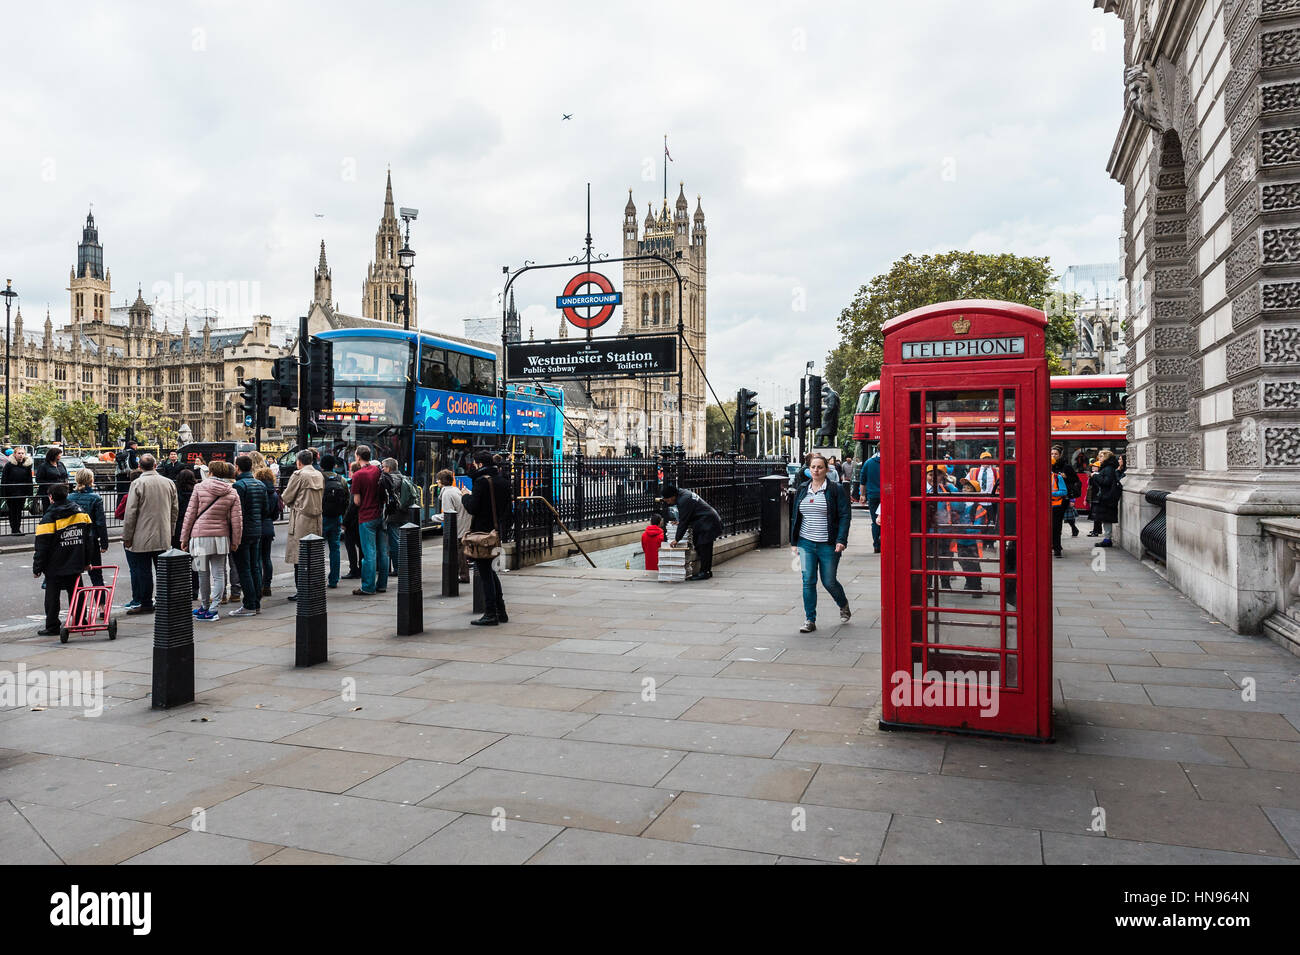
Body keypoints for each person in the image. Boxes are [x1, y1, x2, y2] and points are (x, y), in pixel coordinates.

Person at [789, 454, 852, 633]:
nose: (816, 470)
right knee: (808, 581)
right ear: (809, 469)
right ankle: (810, 619)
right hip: (805, 542)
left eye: (820, 467)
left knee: (829, 581)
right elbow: (796, 516)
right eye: (813, 467)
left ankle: (843, 603)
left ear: (827, 470)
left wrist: (841, 540)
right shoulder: (802, 488)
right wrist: (794, 542)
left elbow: (844, 516)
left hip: (828, 544)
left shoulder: (835, 489)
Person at [33, 482, 97, 636]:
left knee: (52, 595)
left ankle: (53, 626)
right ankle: (81, 621)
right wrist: (87, 561)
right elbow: (88, 541)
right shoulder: (80, 513)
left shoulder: (49, 517)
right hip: (76, 560)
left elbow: (42, 546)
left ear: (51, 498)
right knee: (76, 592)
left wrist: (37, 568)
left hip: (54, 564)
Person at [181, 460, 243, 621]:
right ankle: (214, 608)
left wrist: (184, 538)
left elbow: (190, 515)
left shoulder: (199, 488)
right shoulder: (232, 492)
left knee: (202, 573)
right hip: (220, 539)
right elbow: (237, 520)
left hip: (199, 538)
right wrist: (236, 540)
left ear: (211, 472)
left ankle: (204, 606)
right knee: (219, 574)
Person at [121, 453, 178, 614]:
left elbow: (131, 512)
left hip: (142, 535)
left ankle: (146, 603)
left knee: (143, 571)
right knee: (163, 571)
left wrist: (127, 537)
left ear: (140, 467)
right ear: (155, 465)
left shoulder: (138, 483)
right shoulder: (168, 483)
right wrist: (171, 531)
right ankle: (164, 601)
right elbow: (175, 510)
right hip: (163, 533)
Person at [462, 449, 512, 625]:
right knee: (490, 570)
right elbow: (507, 509)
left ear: (480, 464)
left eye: (474, 463)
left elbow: (473, 508)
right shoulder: (504, 482)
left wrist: (465, 496)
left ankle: (491, 613)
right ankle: (501, 610)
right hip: (496, 531)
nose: (473, 466)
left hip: (482, 533)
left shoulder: (482, 482)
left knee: (485, 573)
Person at [282, 449, 323, 600]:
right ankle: (313, 589)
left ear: (299, 462)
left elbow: (287, 497)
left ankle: (302, 591)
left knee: (299, 558)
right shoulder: (318, 474)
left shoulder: (298, 475)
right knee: (313, 557)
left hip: (300, 519)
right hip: (316, 519)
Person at [659, 484, 723, 581]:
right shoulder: (683, 494)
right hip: (705, 521)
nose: (668, 503)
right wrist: (680, 522)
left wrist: (677, 539)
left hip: (708, 522)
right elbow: (688, 515)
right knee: (700, 544)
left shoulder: (683, 500)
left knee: (704, 546)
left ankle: (705, 572)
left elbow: (684, 521)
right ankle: (706, 571)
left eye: (668, 500)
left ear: (673, 496)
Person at [230, 455, 267, 615]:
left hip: (243, 532)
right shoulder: (260, 484)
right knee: (255, 567)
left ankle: (249, 604)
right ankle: (256, 602)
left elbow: (237, 513)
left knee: (244, 568)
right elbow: (265, 509)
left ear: (237, 467)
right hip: (257, 529)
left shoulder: (238, 486)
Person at [350, 446, 387, 596]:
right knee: (383, 552)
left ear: (358, 457)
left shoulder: (358, 475)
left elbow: (357, 501)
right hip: (381, 515)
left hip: (366, 517)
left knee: (369, 553)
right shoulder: (378, 470)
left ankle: (368, 586)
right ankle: (382, 585)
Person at [68, 469, 109, 586]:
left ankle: (79, 603)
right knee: (96, 572)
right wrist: (104, 542)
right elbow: (100, 522)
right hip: (91, 538)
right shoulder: (95, 498)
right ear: (91, 480)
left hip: (74, 537)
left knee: (75, 574)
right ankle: (101, 603)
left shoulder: (69, 498)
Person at [381, 457, 418, 575]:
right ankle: (404, 566)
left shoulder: (390, 479)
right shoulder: (404, 477)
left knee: (394, 542)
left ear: (388, 468)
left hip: (394, 515)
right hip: (405, 513)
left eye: (383, 467)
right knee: (403, 541)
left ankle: (397, 568)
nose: (382, 469)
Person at [319, 454, 348, 588]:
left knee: (318, 549)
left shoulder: (319, 478)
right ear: (335, 466)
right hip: (336, 517)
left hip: (321, 517)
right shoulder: (341, 479)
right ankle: (334, 579)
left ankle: (318, 578)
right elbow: (347, 499)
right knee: (334, 548)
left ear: (321, 465)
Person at [437, 469, 470, 583]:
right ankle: (462, 575)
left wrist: (434, 518)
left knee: (459, 552)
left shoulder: (447, 493)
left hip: (458, 525)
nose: (437, 482)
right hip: (464, 523)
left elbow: (447, 515)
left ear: (441, 481)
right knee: (461, 551)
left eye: (438, 480)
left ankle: (463, 576)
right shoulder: (455, 490)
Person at [253, 463, 280, 597]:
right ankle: (267, 585)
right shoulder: (274, 493)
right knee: (266, 558)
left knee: (257, 558)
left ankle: (258, 585)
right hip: (269, 526)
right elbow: (276, 513)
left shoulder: (258, 490)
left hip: (257, 526)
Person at [1089, 450, 1126, 548]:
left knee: (1107, 519)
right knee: (1105, 519)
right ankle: (1107, 538)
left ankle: (1107, 539)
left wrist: (1095, 476)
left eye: (1101, 456)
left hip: (1107, 497)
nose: (1099, 458)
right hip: (1106, 496)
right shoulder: (1107, 467)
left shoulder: (1108, 468)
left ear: (1106, 457)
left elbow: (1106, 482)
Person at [2, 447, 33, 535]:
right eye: (19, 453)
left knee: (19, 511)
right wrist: (4, 493)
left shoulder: (27, 465)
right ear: (15, 454)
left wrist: (29, 493)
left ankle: (17, 529)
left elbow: (29, 480)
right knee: (12, 511)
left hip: (22, 492)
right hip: (11, 492)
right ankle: (14, 529)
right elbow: (4, 479)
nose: (21, 455)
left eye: (22, 453)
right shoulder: (9, 465)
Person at [1052, 446, 1081, 538]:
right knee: (1054, 519)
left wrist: (1066, 477)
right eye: (1052, 454)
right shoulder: (1048, 465)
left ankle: (1059, 538)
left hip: (1064, 496)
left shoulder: (1066, 467)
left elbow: (1076, 480)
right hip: (1052, 497)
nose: (1053, 456)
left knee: (1061, 518)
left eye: (1056, 454)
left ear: (1060, 455)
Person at [34, 448, 69, 516]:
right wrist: (52, 486)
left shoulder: (61, 464)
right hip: (48, 493)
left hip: (61, 492)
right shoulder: (43, 466)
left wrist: (66, 483)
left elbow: (65, 475)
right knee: (48, 511)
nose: (60, 456)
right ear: (54, 455)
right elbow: (39, 480)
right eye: (59, 455)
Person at [342, 461, 362, 580]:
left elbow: (352, 505)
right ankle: (361, 568)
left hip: (353, 520)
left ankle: (354, 569)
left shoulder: (355, 482)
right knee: (361, 545)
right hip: (361, 518)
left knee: (350, 545)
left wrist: (345, 522)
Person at [1050, 454, 1070, 558]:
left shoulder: (1057, 477)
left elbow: (1064, 491)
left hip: (1056, 506)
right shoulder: (1036, 477)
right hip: (1041, 507)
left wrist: (1051, 493)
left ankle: (1057, 548)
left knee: (1055, 528)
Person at [863, 448, 881, 553]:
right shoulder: (890, 460)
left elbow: (863, 479)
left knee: (875, 521)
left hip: (873, 495)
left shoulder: (868, 462)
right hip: (887, 495)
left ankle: (876, 544)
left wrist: (863, 495)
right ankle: (884, 542)